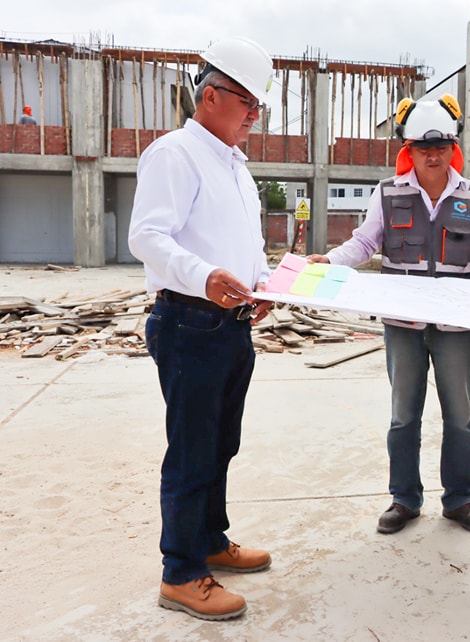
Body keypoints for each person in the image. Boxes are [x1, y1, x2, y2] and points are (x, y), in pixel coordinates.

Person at [128, 36, 276, 621]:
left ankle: (212, 540)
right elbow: (148, 237)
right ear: (211, 96)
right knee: (191, 452)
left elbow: (249, 245)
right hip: (189, 322)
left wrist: (261, 283)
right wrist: (205, 275)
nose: (254, 117)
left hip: (231, 325)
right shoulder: (175, 155)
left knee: (221, 444)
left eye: (259, 107)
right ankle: (182, 573)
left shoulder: (235, 168)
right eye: (247, 104)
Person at [307, 94, 470, 536]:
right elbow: (363, 242)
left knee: (459, 416)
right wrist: (331, 261)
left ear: (454, 147)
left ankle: (459, 499)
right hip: (403, 327)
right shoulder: (388, 194)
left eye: (441, 147)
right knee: (403, 415)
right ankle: (404, 499)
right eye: (422, 148)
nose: (432, 156)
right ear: (408, 150)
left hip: (455, 327)